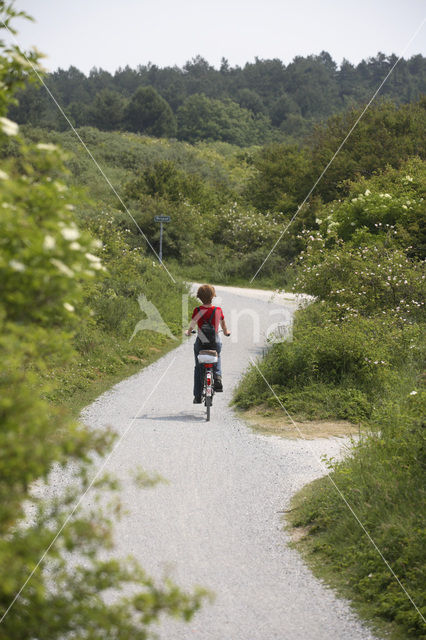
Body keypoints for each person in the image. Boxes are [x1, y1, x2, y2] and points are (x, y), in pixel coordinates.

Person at [185, 284, 231, 404]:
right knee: (217, 356)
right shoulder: (218, 310)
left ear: (199, 297)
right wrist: (226, 332)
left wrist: (188, 332)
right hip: (215, 341)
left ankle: (198, 396)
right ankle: (217, 377)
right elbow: (224, 326)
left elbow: (192, 324)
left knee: (198, 368)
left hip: (201, 341)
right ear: (213, 296)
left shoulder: (198, 310)